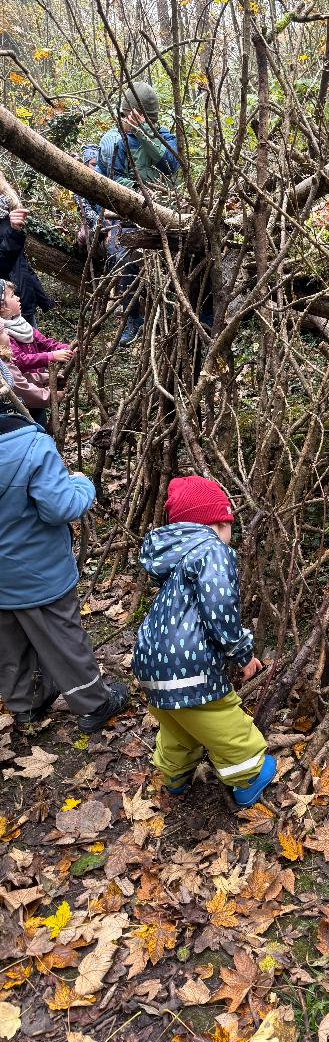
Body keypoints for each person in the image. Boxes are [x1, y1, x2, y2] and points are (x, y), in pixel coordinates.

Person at [0, 356, 129, 731]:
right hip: (39, 570)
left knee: (10, 640)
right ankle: (93, 701)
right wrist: (82, 483)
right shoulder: (29, 444)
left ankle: (26, 705)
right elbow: (59, 507)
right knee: (62, 633)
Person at [133, 475, 276, 808]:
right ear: (217, 521)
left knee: (177, 726)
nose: (231, 534)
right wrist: (242, 653)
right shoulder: (212, 550)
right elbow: (220, 611)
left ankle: (175, 777)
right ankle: (249, 777)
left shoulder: (176, 558)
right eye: (229, 525)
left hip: (150, 663)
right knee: (220, 717)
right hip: (188, 666)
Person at [96, 81, 180, 344]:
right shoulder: (117, 143)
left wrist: (143, 132)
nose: (125, 121)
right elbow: (112, 179)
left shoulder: (165, 137)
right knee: (123, 260)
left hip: (167, 215)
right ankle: (133, 319)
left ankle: (171, 318)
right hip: (131, 216)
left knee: (174, 265)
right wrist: (137, 190)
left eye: (129, 116)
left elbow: (170, 165)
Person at [0, 279, 73, 426]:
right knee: (35, 426)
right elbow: (19, 375)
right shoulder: (4, 349)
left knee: (40, 420)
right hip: (21, 404)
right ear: (2, 307)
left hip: (34, 390)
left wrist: (66, 349)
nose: (18, 298)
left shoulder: (22, 324)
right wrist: (51, 396)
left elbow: (44, 343)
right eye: (12, 296)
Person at [0, 196, 54, 326]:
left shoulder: (6, 216)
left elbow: (22, 266)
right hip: (5, 312)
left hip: (24, 304)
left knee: (35, 344)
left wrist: (44, 300)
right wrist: (13, 232)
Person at [74, 145, 101, 248]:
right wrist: (98, 222)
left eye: (98, 165)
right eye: (93, 164)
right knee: (83, 237)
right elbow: (85, 209)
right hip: (93, 223)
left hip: (109, 220)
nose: (96, 168)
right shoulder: (80, 185)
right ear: (86, 164)